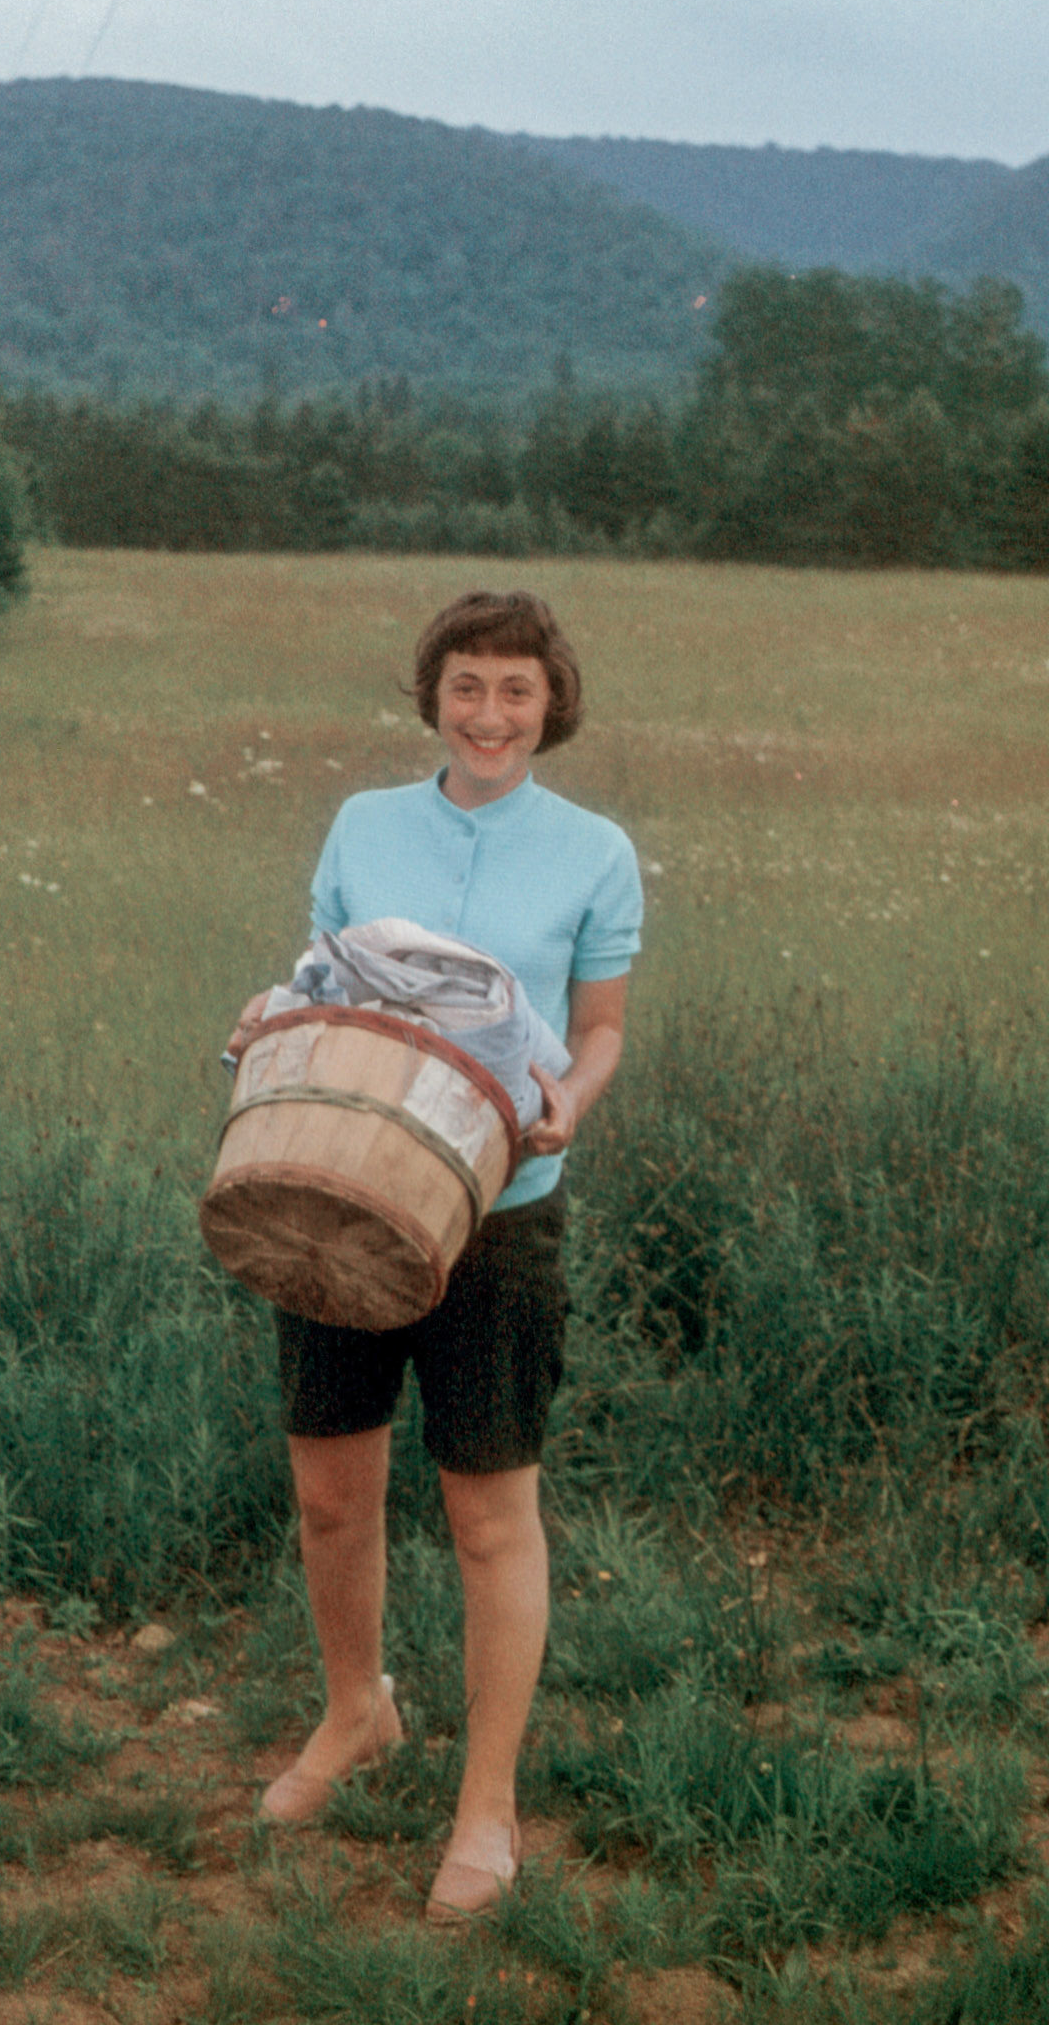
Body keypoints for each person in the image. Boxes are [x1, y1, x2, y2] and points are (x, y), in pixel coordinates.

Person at [228, 590, 642, 1923]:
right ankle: (358, 1714)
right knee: (331, 1495)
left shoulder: (595, 853)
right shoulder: (363, 825)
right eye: (468, 685)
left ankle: (488, 1801)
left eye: (516, 689)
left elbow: (600, 1029)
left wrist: (574, 1097)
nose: (489, 714)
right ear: (435, 695)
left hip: (500, 1216)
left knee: (487, 1516)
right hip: (338, 1191)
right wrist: (267, 1016)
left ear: (550, 702)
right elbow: (320, 979)